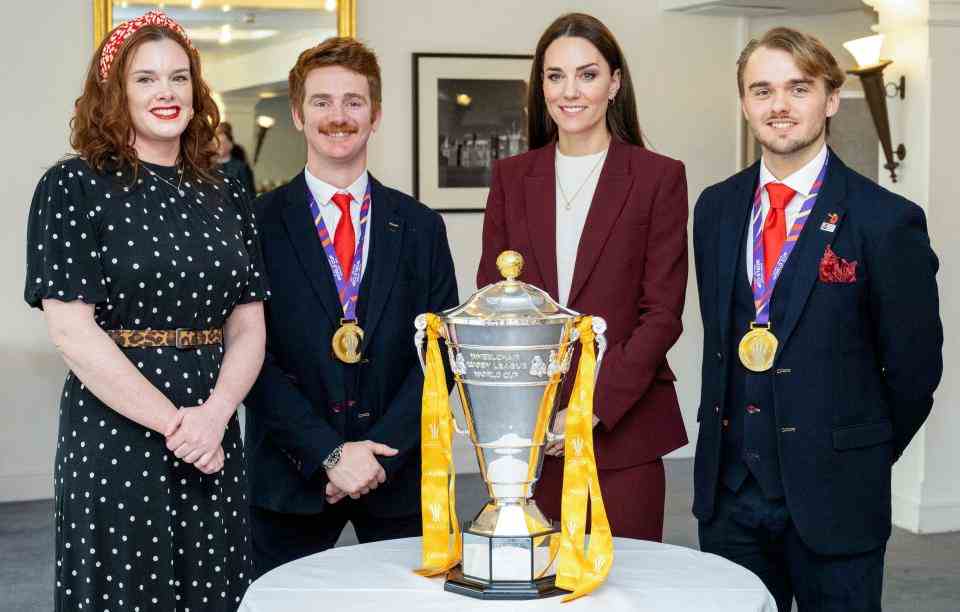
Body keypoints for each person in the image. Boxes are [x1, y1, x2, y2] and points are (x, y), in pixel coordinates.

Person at [23, 10, 268, 611]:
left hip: (214, 426)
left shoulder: (229, 189)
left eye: (179, 78)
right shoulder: (71, 186)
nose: (166, 93)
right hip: (116, 432)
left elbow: (249, 324)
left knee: (216, 591)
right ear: (114, 94)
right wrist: (178, 425)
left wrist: (215, 416)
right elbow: (73, 333)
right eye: (146, 79)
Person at [692, 27, 942, 612]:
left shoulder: (886, 220)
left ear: (831, 99)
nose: (779, 105)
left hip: (838, 499)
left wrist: (854, 453)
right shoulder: (715, 208)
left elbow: (914, 371)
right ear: (745, 104)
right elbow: (723, 342)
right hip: (730, 499)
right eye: (762, 90)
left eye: (798, 88)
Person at [244, 37, 458, 576]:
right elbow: (247, 355)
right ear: (297, 114)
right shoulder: (254, 224)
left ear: (376, 114)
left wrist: (377, 451)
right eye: (322, 102)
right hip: (290, 475)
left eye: (353, 102)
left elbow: (442, 351)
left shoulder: (420, 226)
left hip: (397, 475)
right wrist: (330, 454)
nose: (338, 117)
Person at [476, 13, 689, 540]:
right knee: (538, 582)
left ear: (614, 83)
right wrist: (530, 410)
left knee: (626, 588)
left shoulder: (658, 177)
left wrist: (590, 407)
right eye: (555, 76)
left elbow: (661, 314)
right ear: (540, 86)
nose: (570, 91)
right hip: (529, 438)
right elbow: (491, 304)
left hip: (623, 430)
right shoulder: (510, 177)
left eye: (587, 75)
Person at [216, 121, 257, 194]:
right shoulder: (208, 167)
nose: (220, 146)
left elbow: (248, 192)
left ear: (230, 145)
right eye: (218, 143)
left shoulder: (241, 167)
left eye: (223, 143)